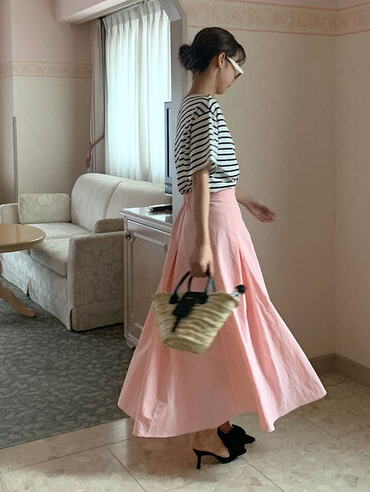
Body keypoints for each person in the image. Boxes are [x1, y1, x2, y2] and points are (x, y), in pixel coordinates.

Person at [117, 26, 327, 469]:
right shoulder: (205, 106)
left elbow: (209, 174)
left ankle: (220, 421)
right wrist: (203, 243)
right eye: (238, 68)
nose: (237, 77)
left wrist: (241, 200)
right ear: (221, 61)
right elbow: (199, 177)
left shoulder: (189, 105)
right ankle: (206, 431)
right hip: (212, 227)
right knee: (218, 325)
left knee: (218, 322)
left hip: (214, 219)